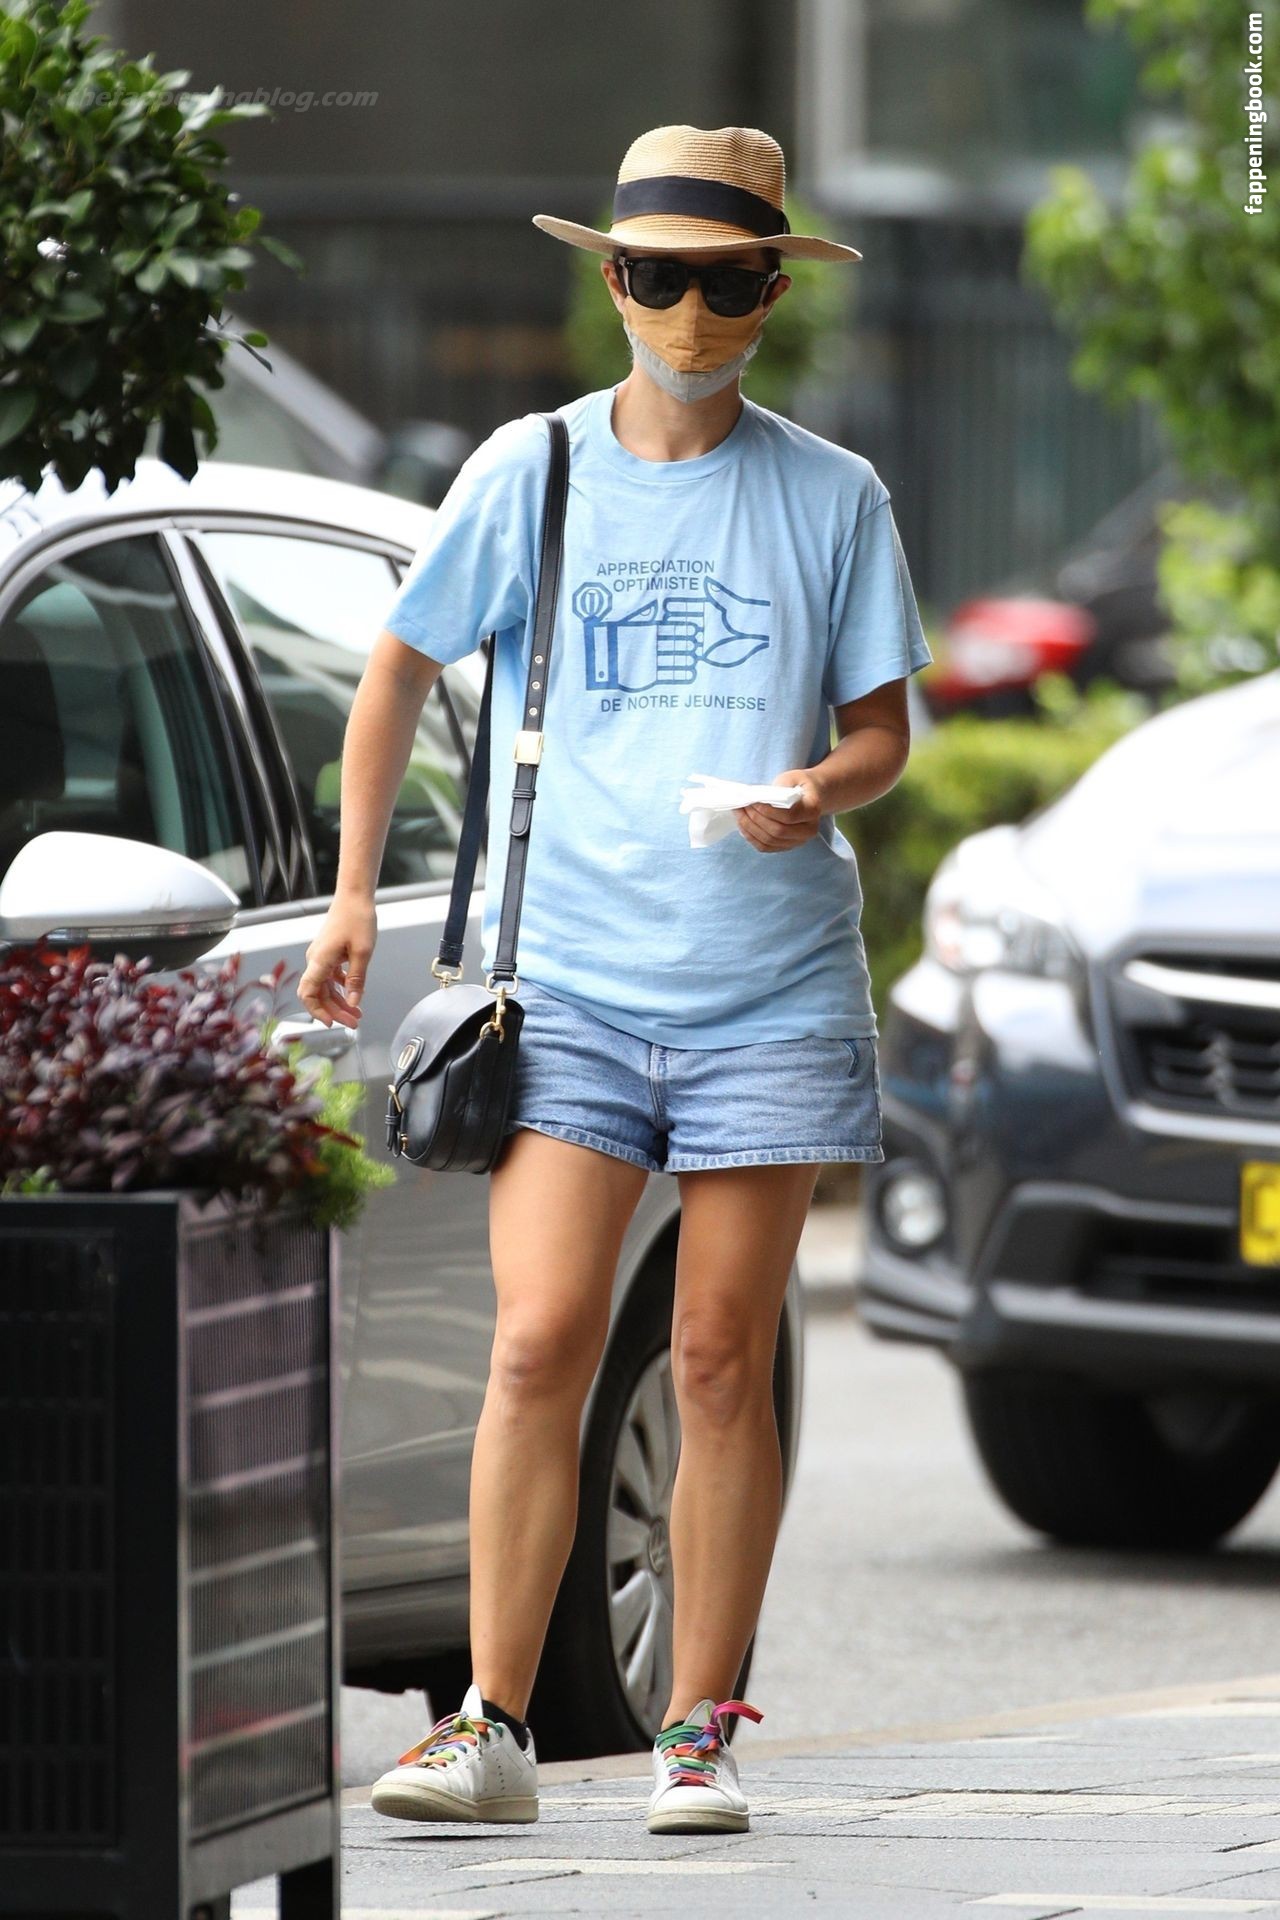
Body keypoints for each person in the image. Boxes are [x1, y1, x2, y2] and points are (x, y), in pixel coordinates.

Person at [298, 123, 933, 1836]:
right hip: (569, 987)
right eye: (659, 277)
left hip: (772, 998)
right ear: (612, 281)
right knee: (539, 1343)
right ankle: (488, 1727)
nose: (692, 314)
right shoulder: (535, 471)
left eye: (728, 284)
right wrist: (352, 894)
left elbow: (883, 732)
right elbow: (398, 666)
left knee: (717, 1358)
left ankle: (697, 1734)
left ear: (774, 291)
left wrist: (818, 790)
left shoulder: (833, 495)